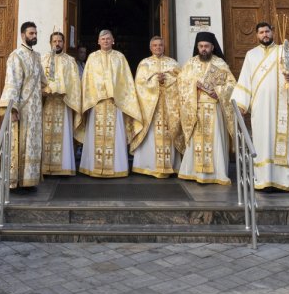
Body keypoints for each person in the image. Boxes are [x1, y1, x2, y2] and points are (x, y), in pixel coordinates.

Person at [232, 22, 289, 191]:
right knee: (262, 142)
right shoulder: (251, 55)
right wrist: (242, 104)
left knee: (283, 141)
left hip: (281, 105)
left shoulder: (284, 51)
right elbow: (245, 79)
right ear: (257, 35)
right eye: (261, 32)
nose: (265, 34)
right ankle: (265, 181)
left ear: (272, 33)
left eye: (267, 31)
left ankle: (286, 181)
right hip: (260, 107)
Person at [76, 29, 142, 178]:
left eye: (108, 39)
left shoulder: (120, 58)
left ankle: (117, 168)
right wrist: (91, 98)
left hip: (115, 103)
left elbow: (126, 81)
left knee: (116, 135)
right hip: (96, 103)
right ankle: (92, 167)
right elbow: (87, 81)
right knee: (94, 135)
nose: (105, 41)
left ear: (113, 41)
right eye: (103, 39)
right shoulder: (92, 58)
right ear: (98, 42)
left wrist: (119, 97)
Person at [177, 32, 235, 185]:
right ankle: (192, 172)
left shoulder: (220, 64)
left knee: (215, 141)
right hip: (195, 108)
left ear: (212, 47)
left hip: (214, 109)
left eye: (206, 46)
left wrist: (218, 92)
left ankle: (218, 174)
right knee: (196, 142)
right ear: (197, 47)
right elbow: (181, 82)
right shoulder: (190, 63)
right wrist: (192, 85)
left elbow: (231, 85)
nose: (204, 49)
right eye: (201, 46)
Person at [0, 22, 44, 191]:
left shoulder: (37, 56)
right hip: (23, 108)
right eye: (31, 33)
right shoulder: (16, 56)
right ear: (23, 35)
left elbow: (42, 81)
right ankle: (15, 182)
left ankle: (29, 181)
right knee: (20, 144)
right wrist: (13, 109)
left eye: (35, 33)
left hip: (36, 110)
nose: (34, 36)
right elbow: (12, 83)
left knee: (32, 143)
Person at [130, 35, 181, 178]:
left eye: (160, 45)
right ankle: (148, 166)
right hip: (151, 108)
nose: (158, 47)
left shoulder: (173, 63)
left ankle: (170, 166)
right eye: (155, 45)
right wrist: (154, 81)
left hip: (168, 106)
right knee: (151, 135)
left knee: (169, 133)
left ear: (164, 46)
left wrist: (167, 79)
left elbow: (181, 81)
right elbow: (139, 85)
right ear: (150, 47)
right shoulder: (144, 64)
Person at [40, 31, 81, 176]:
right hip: (47, 103)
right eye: (54, 41)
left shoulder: (70, 60)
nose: (57, 43)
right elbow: (38, 78)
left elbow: (74, 82)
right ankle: (44, 167)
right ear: (50, 43)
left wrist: (64, 90)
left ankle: (63, 167)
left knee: (63, 135)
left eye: (60, 41)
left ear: (64, 43)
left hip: (63, 103)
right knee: (44, 134)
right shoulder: (43, 59)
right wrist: (43, 89)